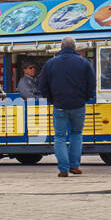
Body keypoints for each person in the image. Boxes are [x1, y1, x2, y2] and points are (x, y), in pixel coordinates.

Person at [36, 37, 96, 178]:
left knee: (60, 137)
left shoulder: (50, 64)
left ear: (61, 47)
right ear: (75, 47)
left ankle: (63, 169)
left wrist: (52, 99)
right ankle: (74, 166)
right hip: (78, 105)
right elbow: (92, 84)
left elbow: (42, 85)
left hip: (59, 106)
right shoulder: (84, 63)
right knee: (76, 134)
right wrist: (85, 98)